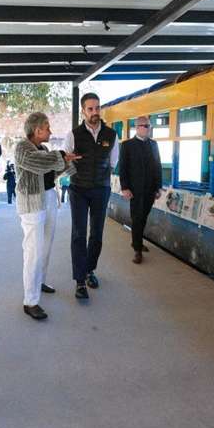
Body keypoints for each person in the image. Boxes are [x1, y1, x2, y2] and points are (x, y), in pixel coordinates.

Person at [15, 112, 80, 320]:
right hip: (32, 203)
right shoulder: (22, 148)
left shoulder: (43, 148)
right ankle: (30, 301)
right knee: (33, 251)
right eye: (47, 128)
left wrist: (67, 163)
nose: (50, 131)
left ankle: (39, 281)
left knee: (46, 245)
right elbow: (39, 163)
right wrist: (60, 157)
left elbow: (52, 171)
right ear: (37, 130)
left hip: (50, 198)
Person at [63, 92, 119, 300]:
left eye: (97, 108)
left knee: (97, 233)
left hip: (101, 190)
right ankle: (79, 281)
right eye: (90, 109)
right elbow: (65, 162)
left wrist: (100, 180)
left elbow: (112, 163)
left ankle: (89, 270)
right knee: (79, 233)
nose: (95, 112)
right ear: (83, 111)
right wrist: (78, 177)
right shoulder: (73, 135)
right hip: (78, 190)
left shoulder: (111, 135)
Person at [119, 116, 162, 264]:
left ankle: (137, 242)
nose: (148, 128)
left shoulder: (154, 145)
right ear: (137, 128)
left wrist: (158, 187)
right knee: (137, 218)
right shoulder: (127, 145)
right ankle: (137, 250)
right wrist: (124, 187)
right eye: (145, 126)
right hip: (135, 190)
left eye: (149, 126)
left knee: (143, 218)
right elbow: (123, 168)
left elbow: (158, 167)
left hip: (150, 189)